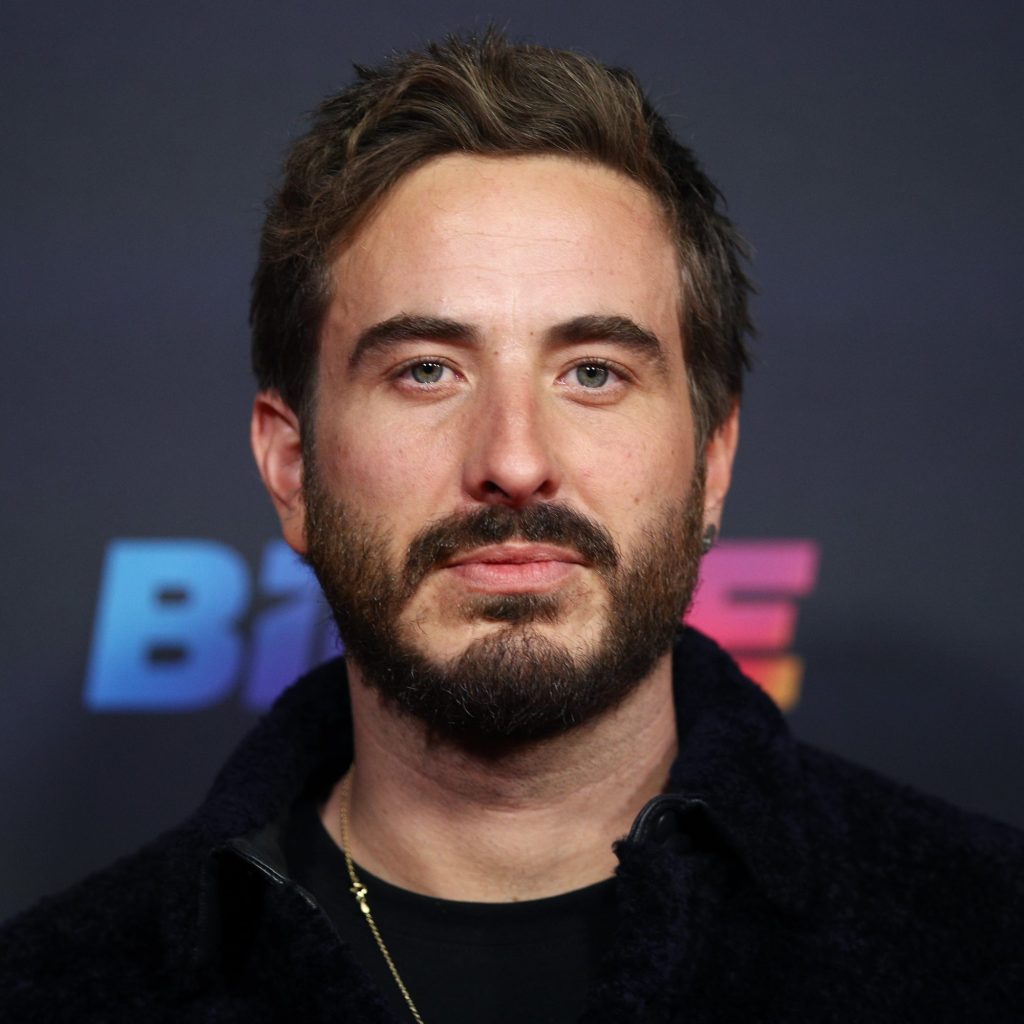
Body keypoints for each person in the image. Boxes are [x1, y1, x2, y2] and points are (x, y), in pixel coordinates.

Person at [2, 29, 1022, 1023]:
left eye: (593, 373)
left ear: (711, 461)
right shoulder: (52, 988)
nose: (515, 460)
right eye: (426, 371)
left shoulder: (988, 940)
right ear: (292, 466)